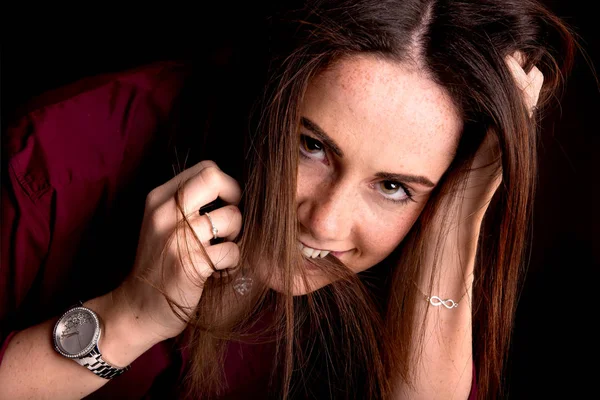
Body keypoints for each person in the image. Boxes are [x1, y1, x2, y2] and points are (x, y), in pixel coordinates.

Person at [0, 0, 576, 399]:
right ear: (273, 88)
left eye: (393, 187)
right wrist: (130, 318)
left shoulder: (434, 213)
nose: (325, 223)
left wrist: (459, 209)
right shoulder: (56, 161)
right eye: (312, 146)